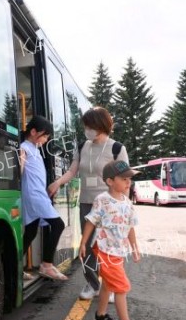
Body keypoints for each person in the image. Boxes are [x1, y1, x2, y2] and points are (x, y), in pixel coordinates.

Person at [48, 107, 129, 301]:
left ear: (100, 125)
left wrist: (125, 206)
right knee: (86, 247)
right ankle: (93, 284)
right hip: (86, 203)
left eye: (89, 125)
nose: (87, 129)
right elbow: (72, 171)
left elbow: (125, 179)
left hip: (109, 205)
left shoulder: (117, 148)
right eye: (86, 126)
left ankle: (109, 285)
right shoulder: (83, 146)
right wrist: (58, 182)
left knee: (108, 247)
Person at [79, 160, 147, 320]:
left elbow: (130, 226)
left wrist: (135, 247)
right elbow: (91, 221)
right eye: (124, 179)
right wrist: (83, 243)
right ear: (110, 181)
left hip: (118, 250)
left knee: (109, 285)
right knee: (121, 286)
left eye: (129, 179)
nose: (128, 182)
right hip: (104, 248)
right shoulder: (102, 200)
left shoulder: (127, 202)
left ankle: (100, 314)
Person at [20, 116, 68, 281]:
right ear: (33, 132)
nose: (46, 140)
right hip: (34, 195)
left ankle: (14, 267)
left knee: (31, 232)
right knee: (58, 225)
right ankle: (46, 265)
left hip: (37, 194)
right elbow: (20, 169)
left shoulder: (35, 148)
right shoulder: (24, 147)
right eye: (45, 136)